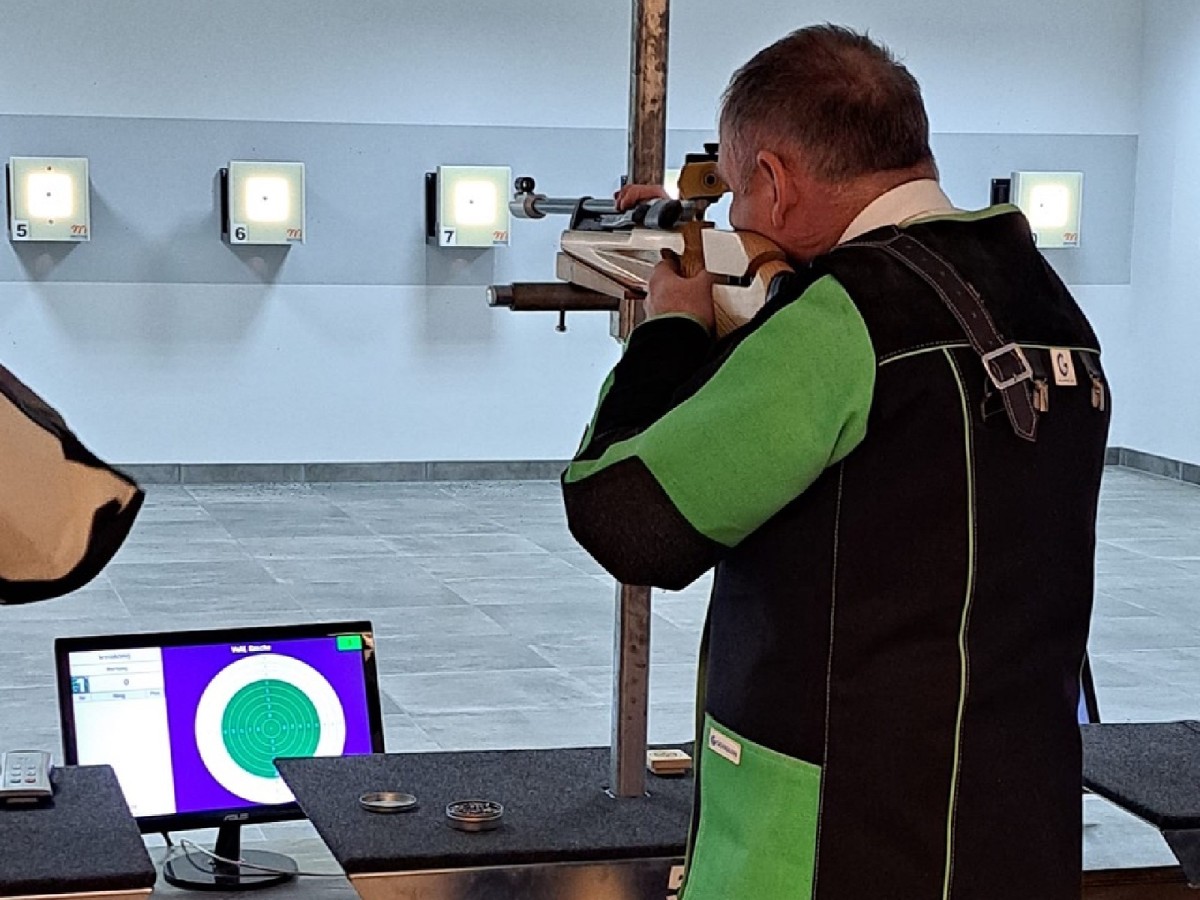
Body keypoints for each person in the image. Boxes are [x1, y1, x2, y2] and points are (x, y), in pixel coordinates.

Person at [561, 24, 1110, 900]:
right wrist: (774, 286)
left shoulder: (842, 322)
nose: (737, 213)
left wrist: (667, 330)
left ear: (776, 183)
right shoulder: (1039, 298)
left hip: (832, 844)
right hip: (1010, 830)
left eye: (741, 190)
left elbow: (625, 517)